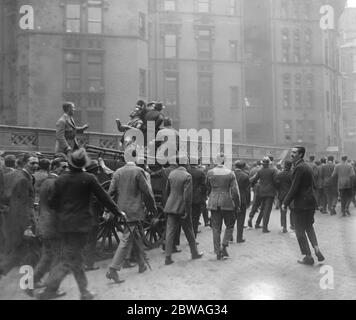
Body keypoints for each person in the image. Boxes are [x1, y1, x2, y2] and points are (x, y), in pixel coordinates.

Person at [36, 149, 123, 300]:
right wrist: (118, 212)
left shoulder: (61, 179)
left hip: (63, 225)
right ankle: (50, 290)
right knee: (69, 260)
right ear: (84, 163)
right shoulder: (89, 178)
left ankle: (84, 292)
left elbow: (52, 202)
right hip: (81, 226)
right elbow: (104, 198)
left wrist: (64, 214)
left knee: (76, 258)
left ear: (70, 163)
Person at [106, 158, 157, 282]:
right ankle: (113, 269)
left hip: (121, 209)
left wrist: (108, 210)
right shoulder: (138, 171)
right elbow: (147, 192)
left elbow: (110, 192)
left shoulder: (118, 172)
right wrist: (152, 209)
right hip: (134, 210)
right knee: (126, 239)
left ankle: (142, 264)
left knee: (136, 235)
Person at [28, 158, 68, 296]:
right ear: (55, 167)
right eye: (63, 166)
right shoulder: (56, 183)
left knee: (46, 257)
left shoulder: (47, 182)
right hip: (54, 226)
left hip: (44, 224)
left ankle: (30, 284)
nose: (65, 169)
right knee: (58, 259)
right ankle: (52, 290)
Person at [282, 146, 325, 266]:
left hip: (300, 204)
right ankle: (316, 248)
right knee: (309, 227)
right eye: (291, 152)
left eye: (294, 152)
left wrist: (285, 202)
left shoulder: (299, 168)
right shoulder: (307, 167)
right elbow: (313, 186)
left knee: (299, 231)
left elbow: (294, 188)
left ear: (300, 155)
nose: (291, 154)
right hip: (310, 203)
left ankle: (308, 256)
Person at [0, 153, 38, 276]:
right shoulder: (23, 179)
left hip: (10, 220)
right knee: (29, 252)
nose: (36, 165)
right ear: (23, 163)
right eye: (32, 163)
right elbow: (21, 205)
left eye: (37, 163)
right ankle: (29, 283)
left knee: (17, 253)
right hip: (22, 222)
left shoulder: (11, 174)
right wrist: (27, 226)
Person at [163, 156, 203, 265]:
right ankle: (194, 253)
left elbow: (166, 192)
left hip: (170, 206)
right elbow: (187, 196)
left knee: (170, 232)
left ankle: (168, 257)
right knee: (189, 231)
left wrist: (167, 205)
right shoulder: (187, 176)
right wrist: (187, 211)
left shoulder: (171, 174)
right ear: (186, 163)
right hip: (181, 207)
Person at [207, 153, 240, 260]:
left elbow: (207, 188)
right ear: (225, 161)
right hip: (227, 202)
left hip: (213, 202)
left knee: (216, 228)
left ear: (216, 161)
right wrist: (237, 204)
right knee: (230, 224)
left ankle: (217, 252)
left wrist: (211, 196)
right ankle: (224, 245)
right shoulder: (230, 173)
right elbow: (235, 191)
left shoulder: (210, 173)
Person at [250, 156, 278, 233]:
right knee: (267, 210)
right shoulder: (273, 171)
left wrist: (251, 186)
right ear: (269, 164)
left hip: (261, 192)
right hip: (270, 192)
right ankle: (264, 228)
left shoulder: (259, 171)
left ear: (262, 164)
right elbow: (276, 181)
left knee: (262, 208)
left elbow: (254, 179)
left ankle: (257, 224)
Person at [188, 156, 207, 238]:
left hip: (186, 197)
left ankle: (188, 234)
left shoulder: (186, 171)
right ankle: (193, 237)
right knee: (195, 218)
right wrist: (203, 196)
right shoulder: (201, 172)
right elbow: (204, 186)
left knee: (188, 217)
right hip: (197, 198)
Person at [234, 160, 250, 243]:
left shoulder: (230, 174)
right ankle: (239, 238)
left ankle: (229, 237)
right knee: (241, 219)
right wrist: (248, 202)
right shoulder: (245, 176)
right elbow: (247, 190)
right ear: (243, 167)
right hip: (242, 199)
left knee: (231, 219)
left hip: (232, 199)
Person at [274, 160, 293, 233]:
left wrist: (279, 190)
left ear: (284, 165)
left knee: (283, 211)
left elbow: (276, 184)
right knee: (292, 210)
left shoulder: (279, 174)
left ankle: (283, 227)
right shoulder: (293, 174)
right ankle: (292, 225)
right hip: (291, 194)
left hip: (282, 194)